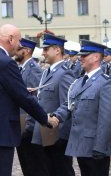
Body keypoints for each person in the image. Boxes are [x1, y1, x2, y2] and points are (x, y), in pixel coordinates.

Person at [0, 24, 58, 176]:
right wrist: (45, 118)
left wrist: (18, 91)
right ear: (10, 39)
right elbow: (23, 98)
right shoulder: (6, 62)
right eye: (18, 40)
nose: (20, 45)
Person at [53, 40, 111, 176]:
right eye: (80, 55)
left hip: (95, 147)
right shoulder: (78, 82)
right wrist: (55, 116)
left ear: (96, 57)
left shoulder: (106, 83)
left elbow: (107, 119)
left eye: (84, 55)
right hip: (80, 144)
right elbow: (69, 104)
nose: (80, 58)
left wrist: (101, 146)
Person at [31, 33, 75, 176]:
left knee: (62, 170)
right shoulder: (46, 73)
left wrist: (61, 137)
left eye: (46, 49)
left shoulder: (64, 74)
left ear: (57, 50)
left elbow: (68, 103)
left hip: (56, 136)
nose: (43, 53)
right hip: (45, 133)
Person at [14, 38, 48, 176]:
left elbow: (35, 100)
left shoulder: (33, 70)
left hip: (29, 128)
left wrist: (29, 127)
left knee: (35, 167)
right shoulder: (21, 69)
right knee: (26, 166)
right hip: (21, 126)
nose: (15, 52)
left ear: (26, 51)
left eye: (18, 49)